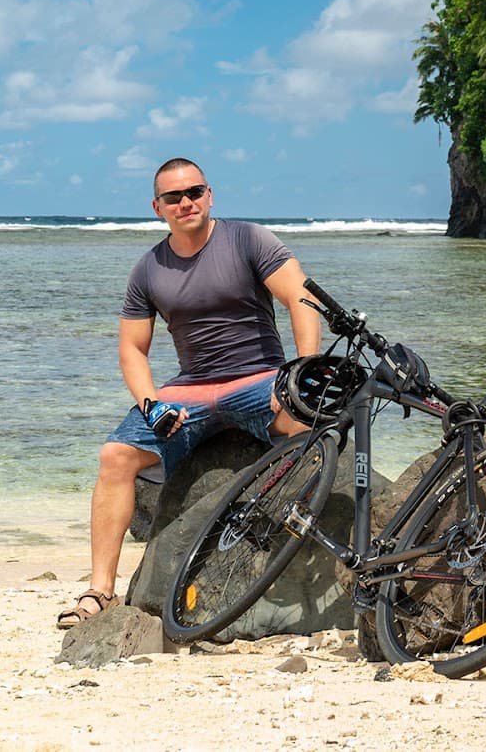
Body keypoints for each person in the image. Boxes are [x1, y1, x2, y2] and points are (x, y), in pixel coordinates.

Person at [57, 157, 322, 628]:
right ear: (157, 207)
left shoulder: (248, 239)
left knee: (308, 427)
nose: (186, 203)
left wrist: (299, 374)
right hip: (190, 393)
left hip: (258, 380)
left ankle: (321, 561)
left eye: (194, 192)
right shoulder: (148, 268)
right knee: (116, 456)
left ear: (210, 194)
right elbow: (132, 350)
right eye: (173, 197)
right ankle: (100, 590)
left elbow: (302, 298)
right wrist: (151, 404)